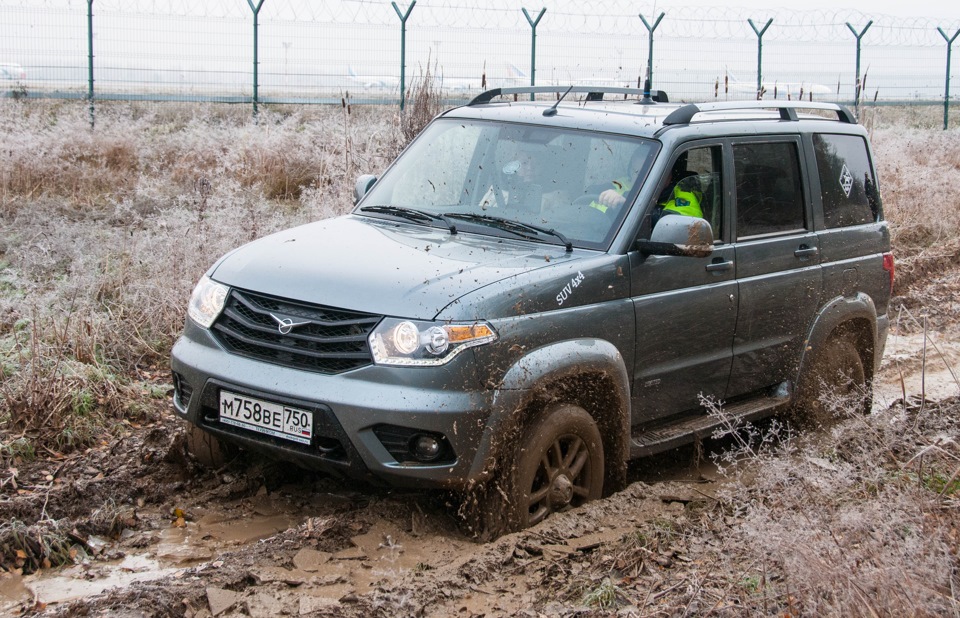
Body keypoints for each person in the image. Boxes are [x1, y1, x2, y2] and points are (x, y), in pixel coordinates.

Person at [588, 147, 648, 214]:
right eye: (635, 171)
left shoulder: (657, 196)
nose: (638, 177)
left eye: (643, 173)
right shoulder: (614, 185)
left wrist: (624, 204)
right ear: (630, 169)